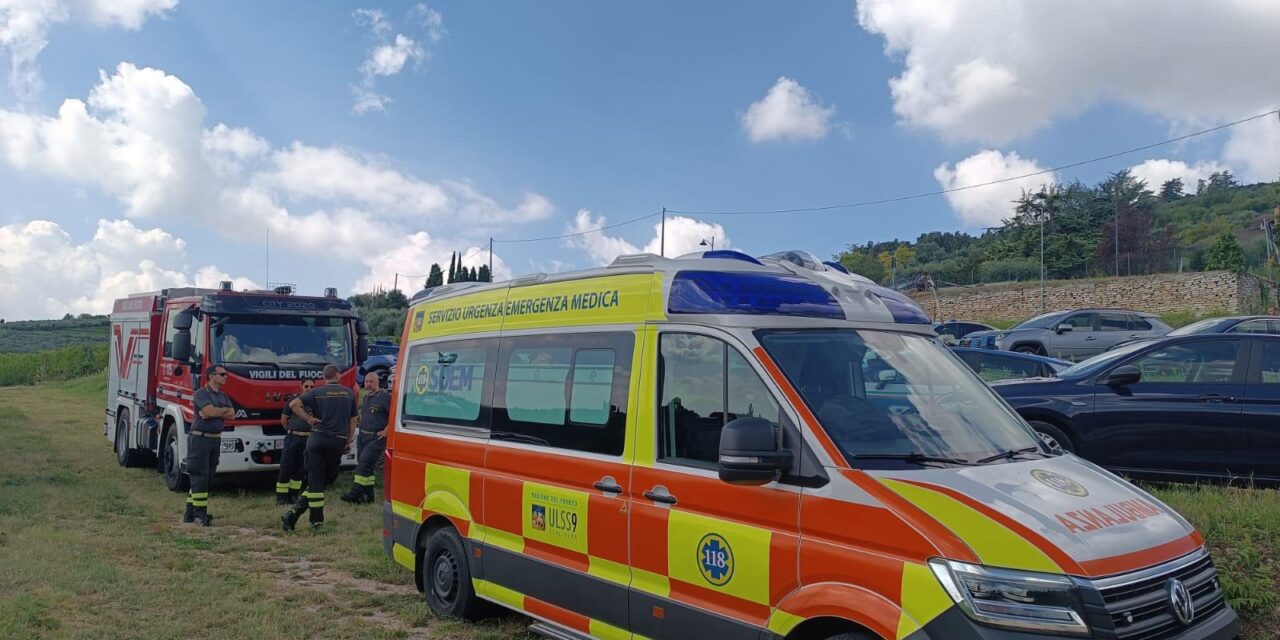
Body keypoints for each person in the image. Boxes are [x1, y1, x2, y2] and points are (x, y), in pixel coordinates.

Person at [281, 364, 357, 531]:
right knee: (324, 480)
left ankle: (295, 513)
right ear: (338, 375)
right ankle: (315, 523)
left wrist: (308, 419)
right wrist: (348, 441)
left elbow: (294, 404)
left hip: (316, 439)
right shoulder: (349, 393)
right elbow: (353, 421)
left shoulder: (316, 392)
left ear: (324, 377)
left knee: (316, 481)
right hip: (336, 441)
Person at [184, 364, 234, 526]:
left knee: (207, 477)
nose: (226, 377)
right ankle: (200, 514)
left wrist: (216, 411)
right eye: (222, 374)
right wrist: (221, 411)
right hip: (200, 439)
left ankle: (190, 513)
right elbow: (212, 412)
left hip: (215, 439)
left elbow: (232, 414)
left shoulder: (223, 395)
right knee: (199, 475)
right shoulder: (201, 394)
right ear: (212, 376)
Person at [340, 372, 391, 504]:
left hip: (376, 438)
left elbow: (394, 416)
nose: (368, 384)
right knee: (367, 468)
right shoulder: (366, 398)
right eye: (367, 382)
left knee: (363, 464)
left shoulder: (385, 398)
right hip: (363, 436)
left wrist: (387, 430)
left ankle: (355, 493)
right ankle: (369, 497)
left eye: (371, 382)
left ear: (377, 382)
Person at [275, 379, 314, 505]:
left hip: (308, 438)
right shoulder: (293, 401)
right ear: (301, 387)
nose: (309, 388)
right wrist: (292, 430)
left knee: (300, 469)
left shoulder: (316, 402)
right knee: (286, 467)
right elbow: (284, 420)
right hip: (293, 437)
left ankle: (293, 496)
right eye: (306, 386)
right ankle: (281, 498)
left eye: (311, 386)